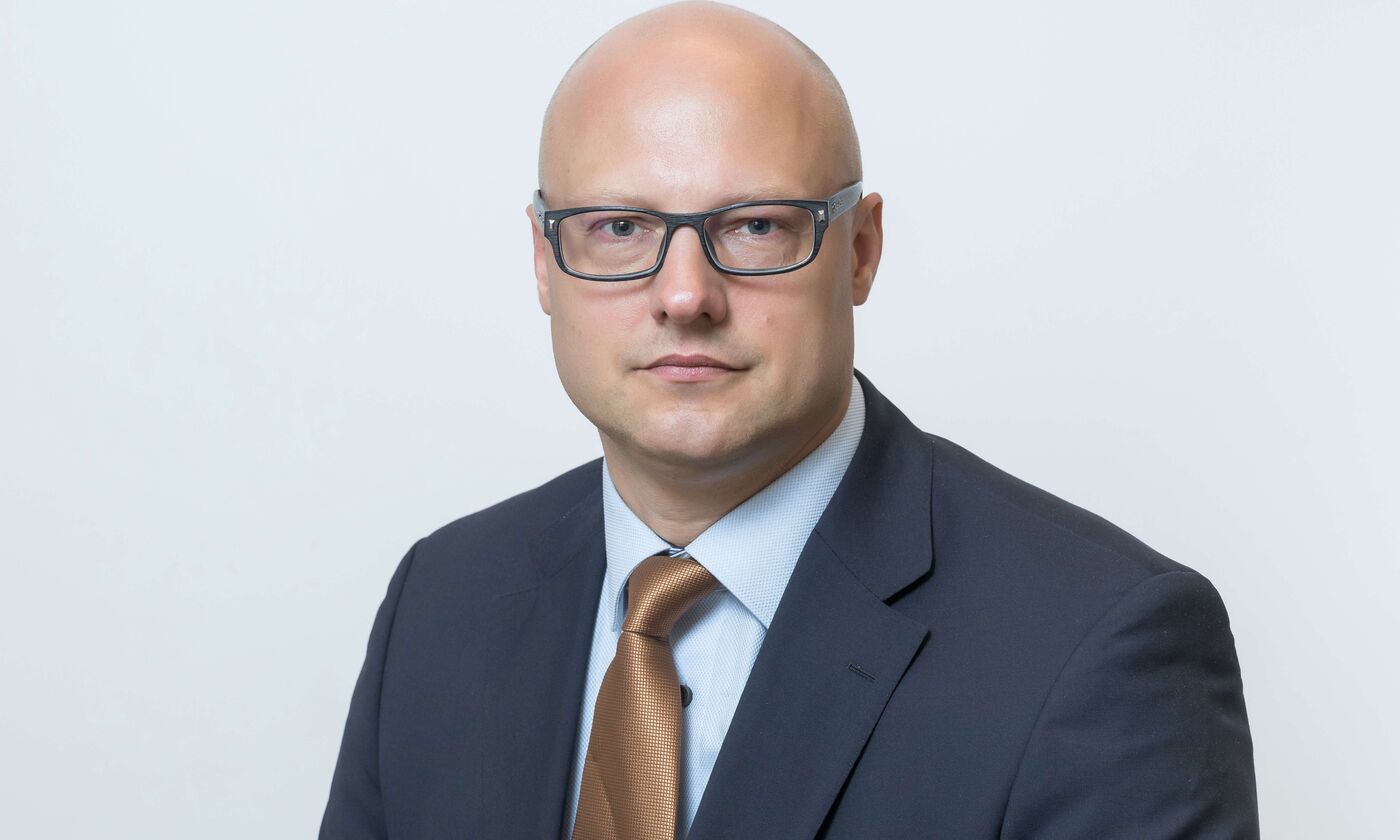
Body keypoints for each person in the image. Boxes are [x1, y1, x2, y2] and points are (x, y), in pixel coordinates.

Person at [319, 2, 1259, 837]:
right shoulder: (441, 601)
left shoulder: (1099, 649)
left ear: (861, 250)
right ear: (542, 260)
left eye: (756, 225)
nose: (684, 296)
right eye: (619, 228)